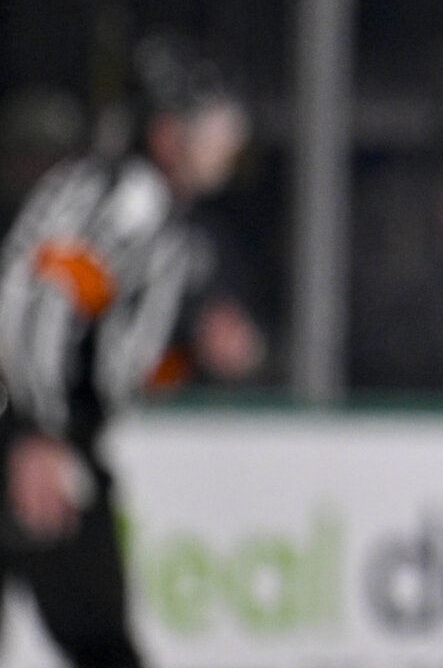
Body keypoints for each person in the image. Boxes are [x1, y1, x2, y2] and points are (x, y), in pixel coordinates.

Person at [0, 36, 259, 667]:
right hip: (28, 433)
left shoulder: (164, 223)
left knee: (100, 640)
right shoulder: (127, 202)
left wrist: (198, 351)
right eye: (213, 125)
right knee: (102, 645)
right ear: (169, 134)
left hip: (56, 436)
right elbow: (37, 307)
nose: (229, 140)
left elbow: (116, 360)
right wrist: (33, 433)